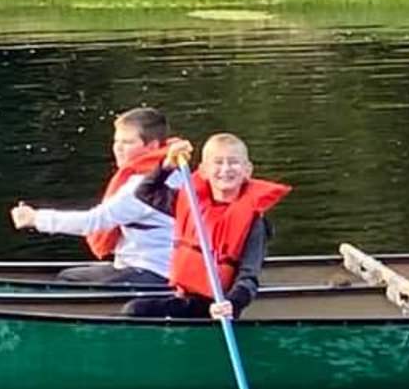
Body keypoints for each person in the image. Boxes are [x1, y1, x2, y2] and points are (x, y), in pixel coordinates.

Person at [124, 133, 290, 320]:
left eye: (233, 162)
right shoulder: (190, 203)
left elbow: (248, 278)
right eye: (218, 162)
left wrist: (232, 304)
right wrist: (167, 165)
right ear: (203, 170)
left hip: (219, 308)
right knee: (135, 309)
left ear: (247, 170)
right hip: (186, 299)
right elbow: (145, 191)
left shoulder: (254, 222)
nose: (225, 169)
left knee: (136, 310)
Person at [9, 105, 174, 286]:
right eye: (116, 141)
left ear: (153, 146)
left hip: (157, 272)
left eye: (127, 143)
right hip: (140, 265)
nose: (118, 148)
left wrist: (35, 218)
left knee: (74, 282)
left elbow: (94, 222)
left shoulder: (146, 185)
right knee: (69, 275)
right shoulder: (169, 171)